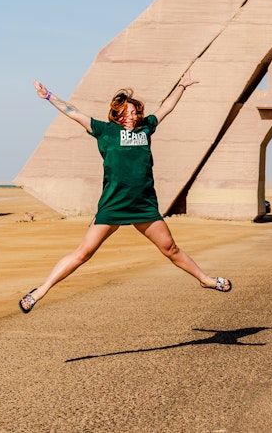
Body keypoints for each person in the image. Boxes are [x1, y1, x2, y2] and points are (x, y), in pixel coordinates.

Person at [18, 70, 231, 314]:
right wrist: (49, 96)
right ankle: (40, 291)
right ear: (116, 114)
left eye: (134, 112)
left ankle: (205, 279)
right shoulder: (104, 131)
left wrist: (182, 86)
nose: (132, 117)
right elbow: (73, 112)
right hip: (113, 205)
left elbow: (166, 108)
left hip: (143, 206)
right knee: (83, 253)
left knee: (170, 249)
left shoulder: (146, 128)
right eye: (127, 113)